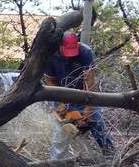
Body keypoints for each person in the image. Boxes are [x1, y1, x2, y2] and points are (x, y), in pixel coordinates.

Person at [44, 32, 114, 160]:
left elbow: (89, 80)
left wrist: (89, 107)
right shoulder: (51, 55)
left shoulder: (85, 52)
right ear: (60, 46)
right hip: (61, 93)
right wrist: (60, 102)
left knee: (97, 122)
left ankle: (112, 157)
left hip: (83, 93)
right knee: (61, 131)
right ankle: (55, 163)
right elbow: (50, 80)